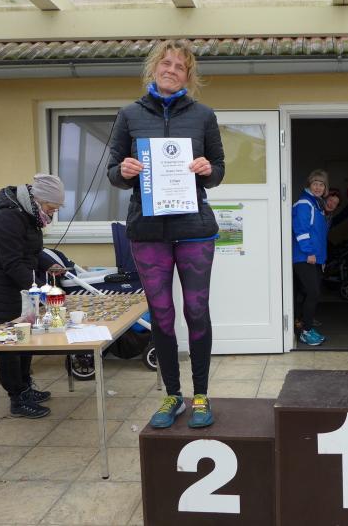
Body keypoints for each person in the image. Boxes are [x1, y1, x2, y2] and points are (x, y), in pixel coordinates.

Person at [107, 39, 225, 429]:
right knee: (161, 314)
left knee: (196, 310)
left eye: (179, 66)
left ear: (188, 76)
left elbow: (219, 170)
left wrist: (208, 169)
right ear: (154, 68)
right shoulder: (129, 114)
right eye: (166, 63)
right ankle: (172, 395)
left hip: (194, 229)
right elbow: (113, 172)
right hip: (147, 230)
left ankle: (201, 394)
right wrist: (124, 171)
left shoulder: (204, 116)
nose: (171, 70)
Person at [0, 173, 65, 420]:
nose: (52, 213)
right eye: (51, 207)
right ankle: (17, 398)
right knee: (11, 343)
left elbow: (33, 250)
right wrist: (43, 290)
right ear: (38, 200)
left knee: (26, 337)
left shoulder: (28, 214)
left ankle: (26, 386)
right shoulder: (7, 217)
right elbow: (12, 263)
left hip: (18, 287)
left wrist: (49, 264)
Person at [292, 170, 330, 346]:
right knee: (312, 293)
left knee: (312, 293)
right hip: (304, 256)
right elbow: (301, 229)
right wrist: (309, 252)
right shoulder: (305, 203)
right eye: (315, 183)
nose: (318, 187)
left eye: (321, 184)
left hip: (314, 257)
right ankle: (305, 332)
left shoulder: (317, 204)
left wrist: (321, 258)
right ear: (309, 184)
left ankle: (306, 326)